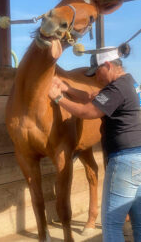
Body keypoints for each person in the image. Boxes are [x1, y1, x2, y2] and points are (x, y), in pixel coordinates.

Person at [49, 46, 141, 242]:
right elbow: (94, 97)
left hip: (124, 162)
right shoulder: (130, 83)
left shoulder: (117, 88)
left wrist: (58, 98)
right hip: (138, 159)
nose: (95, 77)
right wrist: (67, 88)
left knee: (111, 224)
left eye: (97, 72)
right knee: (139, 223)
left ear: (107, 65)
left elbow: (87, 112)